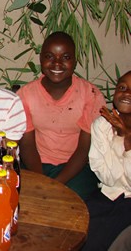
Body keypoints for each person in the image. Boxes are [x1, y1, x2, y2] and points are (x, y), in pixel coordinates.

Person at [17, 31, 106, 200]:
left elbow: (84, 148)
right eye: (49, 56)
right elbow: (27, 144)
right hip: (37, 164)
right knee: (24, 195)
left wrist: (57, 182)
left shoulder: (90, 94)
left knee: (70, 199)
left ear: (74, 61)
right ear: (41, 59)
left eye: (65, 57)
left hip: (76, 167)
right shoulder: (26, 94)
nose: (57, 63)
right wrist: (41, 180)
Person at [83, 70, 131, 250]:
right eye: (122, 87)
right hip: (108, 194)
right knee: (77, 230)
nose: (127, 93)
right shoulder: (102, 125)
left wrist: (127, 137)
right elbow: (107, 177)